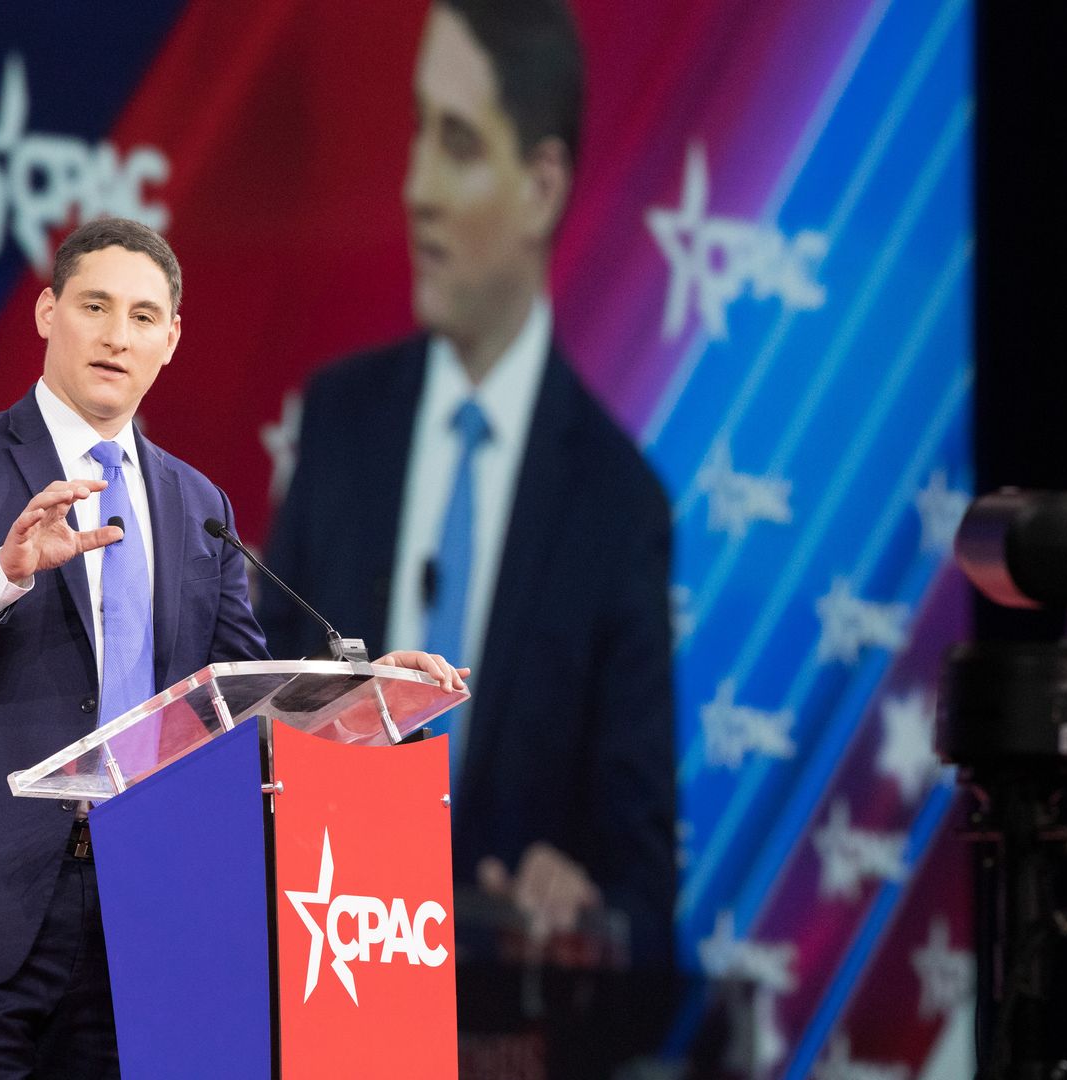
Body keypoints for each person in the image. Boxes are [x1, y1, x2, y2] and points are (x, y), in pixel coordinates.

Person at [0, 217, 467, 1079]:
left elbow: (243, 702)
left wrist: (364, 691)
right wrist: (1, 574)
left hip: (135, 918)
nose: (115, 334)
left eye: (141, 316)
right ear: (48, 312)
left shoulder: (198, 505)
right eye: (94, 305)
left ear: (170, 340)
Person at [260, 0, 676, 970]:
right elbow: (252, 734)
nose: (415, 189)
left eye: (458, 144)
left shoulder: (619, 508)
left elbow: (644, 893)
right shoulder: (340, 423)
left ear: (539, 188)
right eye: (417, 132)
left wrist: (581, 910)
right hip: (321, 1002)